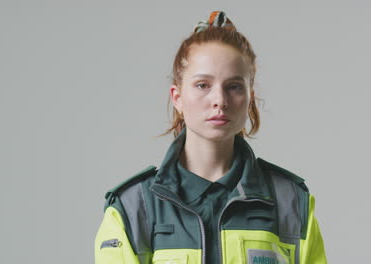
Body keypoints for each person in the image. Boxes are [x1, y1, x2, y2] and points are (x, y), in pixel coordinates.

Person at [94, 11, 327, 264]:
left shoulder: (290, 200)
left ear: (250, 97)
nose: (220, 100)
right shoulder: (132, 208)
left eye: (234, 86)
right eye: (203, 85)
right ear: (177, 97)